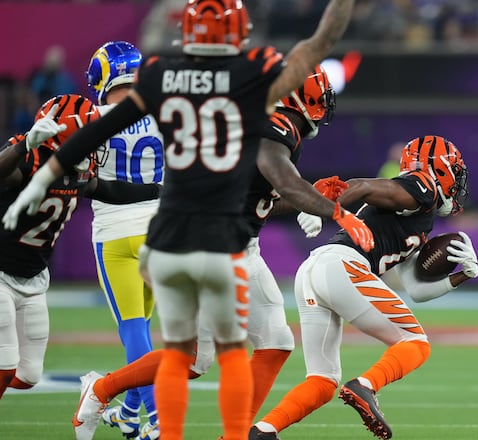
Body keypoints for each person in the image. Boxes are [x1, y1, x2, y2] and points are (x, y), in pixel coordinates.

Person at [2, 2, 369, 440]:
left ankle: (120, 398)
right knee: (207, 355)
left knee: (242, 347)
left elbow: (105, 122)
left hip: (182, 227)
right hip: (210, 235)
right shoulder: (253, 79)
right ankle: (114, 396)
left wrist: (40, 168)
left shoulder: (162, 75)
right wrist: (327, 208)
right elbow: (314, 51)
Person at [69, 65, 341, 440]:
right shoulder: (273, 127)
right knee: (197, 358)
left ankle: (231, 434)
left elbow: (262, 195)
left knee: (275, 343)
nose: (322, 109)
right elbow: (280, 181)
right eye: (317, 99)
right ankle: (101, 390)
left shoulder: (267, 125)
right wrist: (320, 206)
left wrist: (304, 202)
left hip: (238, 246)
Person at [249, 135, 478, 440]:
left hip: (316, 270)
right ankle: (365, 386)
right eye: (456, 172)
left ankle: (262, 432)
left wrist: (461, 276)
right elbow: (363, 185)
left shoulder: (421, 217)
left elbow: (416, 289)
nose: (458, 183)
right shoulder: (421, 186)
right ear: (441, 169)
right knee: (416, 343)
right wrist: (320, 206)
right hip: (343, 267)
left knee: (323, 381)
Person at [0, 95, 161, 400]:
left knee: (28, 375)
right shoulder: (31, 159)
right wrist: (22, 144)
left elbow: (110, 190)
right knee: (5, 366)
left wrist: (160, 191)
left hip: (34, 277)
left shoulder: (81, 169)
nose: (95, 142)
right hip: (1, 272)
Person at [83, 40, 165, 440]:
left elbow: (78, 176)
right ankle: (131, 413)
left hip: (115, 233)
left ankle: (158, 417)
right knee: (147, 329)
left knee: (134, 331)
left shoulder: (91, 118)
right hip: (160, 231)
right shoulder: (164, 114)